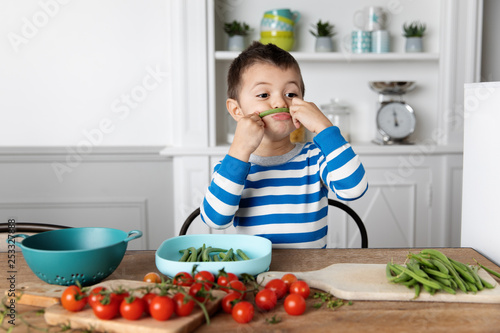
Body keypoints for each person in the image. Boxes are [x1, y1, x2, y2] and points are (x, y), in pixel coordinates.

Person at [200, 41, 368, 248]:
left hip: (313, 275)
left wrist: (324, 127)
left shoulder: (316, 158)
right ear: (237, 111)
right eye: (264, 95)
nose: (280, 103)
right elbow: (215, 220)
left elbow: (354, 189)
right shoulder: (232, 166)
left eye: (291, 94)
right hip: (254, 276)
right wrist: (239, 150)